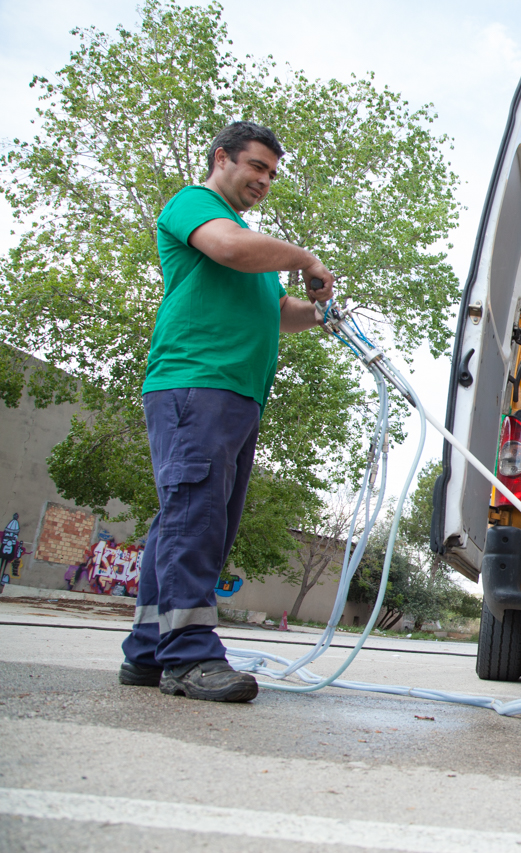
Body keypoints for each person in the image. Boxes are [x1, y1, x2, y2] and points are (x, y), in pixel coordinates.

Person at [118, 121, 335, 702]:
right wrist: (304, 256)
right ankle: (189, 657)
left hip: (237, 396)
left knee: (188, 520)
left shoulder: (247, 245)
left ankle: (147, 650)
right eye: (256, 167)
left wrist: (323, 314)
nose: (264, 180)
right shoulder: (198, 209)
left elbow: (278, 312)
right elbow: (232, 250)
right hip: (195, 384)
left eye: (271, 173)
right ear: (222, 158)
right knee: (195, 518)